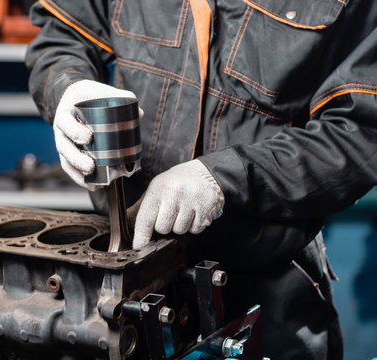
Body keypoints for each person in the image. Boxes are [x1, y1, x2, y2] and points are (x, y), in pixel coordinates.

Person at [25, 1, 377, 359]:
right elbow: (63, 37)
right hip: (125, 277)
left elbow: (362, 131)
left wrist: (227, 177)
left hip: (265, 286)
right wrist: (67, 87)